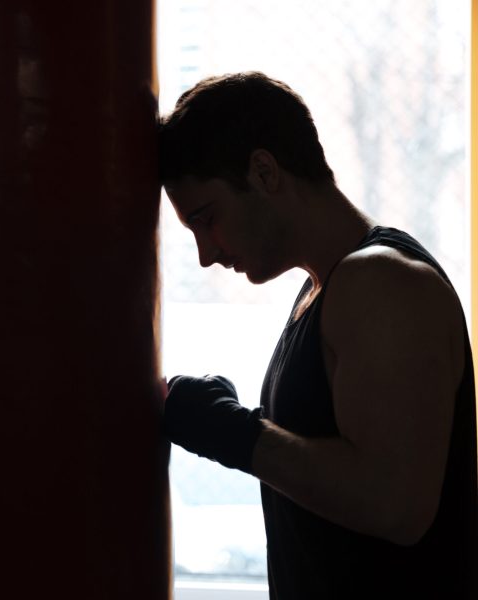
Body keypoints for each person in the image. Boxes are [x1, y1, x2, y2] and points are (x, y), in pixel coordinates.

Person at [158, 72, 477, 599]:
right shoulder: (322, 290)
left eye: (207, 219)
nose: (206, 253)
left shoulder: (383, 282)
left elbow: (396, 506)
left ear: (264, 172)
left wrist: (233, 433)